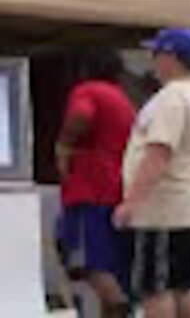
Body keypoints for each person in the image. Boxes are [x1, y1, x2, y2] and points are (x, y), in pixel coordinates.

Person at [115, 28, 190, 318]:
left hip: (162, 208)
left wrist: (132, 201)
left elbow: (159, 152)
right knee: (182, 285)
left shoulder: (172, 98)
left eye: (157, 54)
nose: (152, 61)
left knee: (155, 288)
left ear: (172, 58)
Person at [55, 50, 136, 318]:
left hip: (88, 190)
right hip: (116, 190)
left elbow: (81, 114)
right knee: (112, 264)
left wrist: (64, 144)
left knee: (86, 264)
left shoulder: (87, 91)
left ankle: (120, 304)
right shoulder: (124, 101)